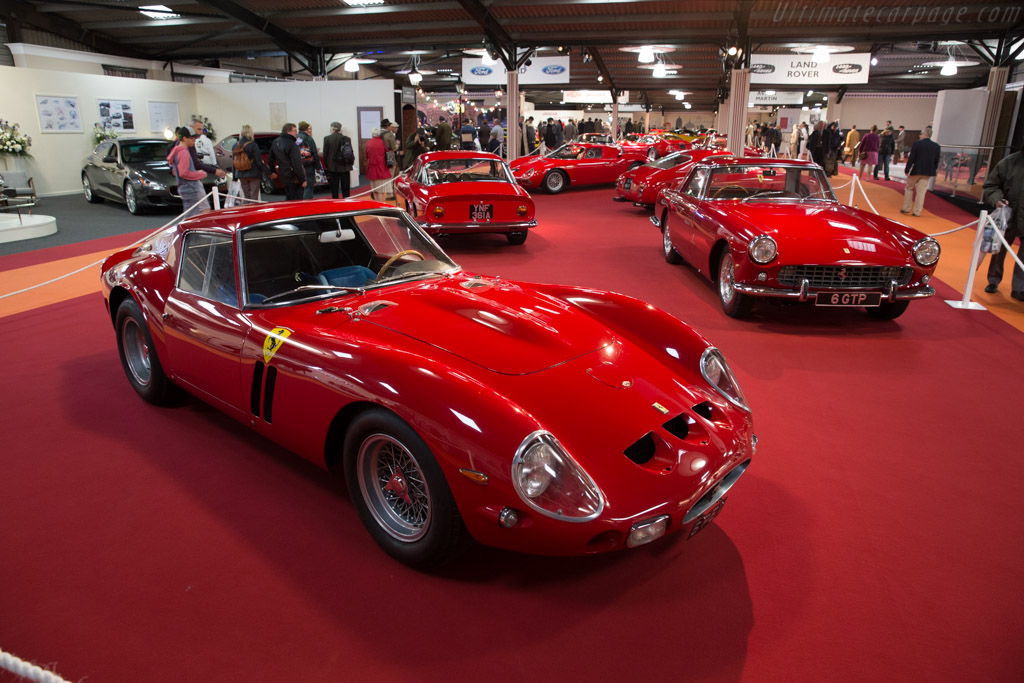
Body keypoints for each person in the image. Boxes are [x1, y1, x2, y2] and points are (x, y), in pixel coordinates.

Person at [982, 149, 1024, 301]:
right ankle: (993, 280)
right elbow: (991, 185)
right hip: (1008, 214)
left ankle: (1020, 288)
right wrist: (997, 200)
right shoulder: (1009, 162)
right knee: (998, 250)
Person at [167, 127, 209, 218]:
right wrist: (200, 174)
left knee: (190, 214)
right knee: (192, 216)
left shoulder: (177, 151)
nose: (194, 141)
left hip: (184, 187)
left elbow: (175, 171)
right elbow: (183, 173)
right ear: (185, 138)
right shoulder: (183, 152)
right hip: (190, 188)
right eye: (192, 138)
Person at [901, 126, 940, 217]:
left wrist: (907, 169)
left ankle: (906, 208)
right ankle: (917, 212)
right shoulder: (936, 146)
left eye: (921, 134)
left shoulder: (917, 144)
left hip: (916, 170)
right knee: (921, 192)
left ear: (924, 134)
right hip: (927, 172)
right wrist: (933, 170)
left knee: (909, 188)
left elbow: (911, 158)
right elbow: (936, 161)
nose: (920, 136)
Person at [268, 122, 306, 201]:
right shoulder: (292, 143)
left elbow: (270, 158)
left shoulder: (275, 142)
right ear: (288, 131)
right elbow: (297, 163)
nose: (296, 133)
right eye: (294, 131)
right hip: (294, 176)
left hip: (283, 174)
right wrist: (303, 179)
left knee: (288, 197)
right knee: (296, 199)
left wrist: (273, 171)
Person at [233, 124, 270, 201]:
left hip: (241, 174)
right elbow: (259, 162)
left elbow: (234, 162)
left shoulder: (235, 145)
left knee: (247, 197)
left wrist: (234, 177)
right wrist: (268, 172)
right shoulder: (253, 145)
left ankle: (247, 211)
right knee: (254, 198)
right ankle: (254, 212)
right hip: (254, 174)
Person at [322, 121, 353, 199]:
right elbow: (350, 152)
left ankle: (335, 203)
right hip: (345, 166)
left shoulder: (327, 139)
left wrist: (327, 165)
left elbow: (325, 154)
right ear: (340, 129)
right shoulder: (347, 138)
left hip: (333, 167)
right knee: (345, 188)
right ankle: (346, 202)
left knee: (334, 188)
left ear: (332, 129)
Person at [365, 127, 390, 202]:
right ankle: (381, 205)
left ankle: (377, 204)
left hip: (371, 168)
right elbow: (387, 152)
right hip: (381, 168)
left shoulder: (368, 143)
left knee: (374, 189)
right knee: (381, 190)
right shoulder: (383, 142)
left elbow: (367, 156)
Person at [296, 121, 320, 200]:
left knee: (301, 185)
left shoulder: (297, 138)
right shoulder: (309, 138)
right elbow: (314, 153)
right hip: (308, 164)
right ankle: (307, 203)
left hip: (299, 164)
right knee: (309, 185)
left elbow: (296, 149)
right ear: (306, 128)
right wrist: (318, 166)